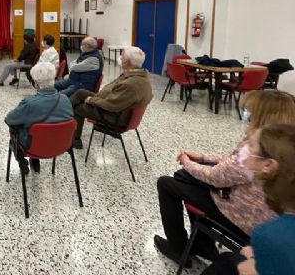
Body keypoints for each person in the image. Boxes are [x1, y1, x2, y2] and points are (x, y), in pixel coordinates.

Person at [153, 90, 295, 268]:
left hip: (240, 216)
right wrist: (203, 157)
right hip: (256, 213)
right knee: (185, 178)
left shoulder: (259, 150)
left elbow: (215, 177)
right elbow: (233, 162)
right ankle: (202, 244)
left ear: (262, 117)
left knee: (166, 184)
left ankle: (177, 248)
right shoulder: (283, 149)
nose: (248, 116)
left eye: (252, 112)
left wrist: (187, 161)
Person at [202, 124, 295, 275]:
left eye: (251, 145)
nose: (244, 148)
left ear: (268, 165)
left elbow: (245, 269)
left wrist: (255, 260)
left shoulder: (269, 234)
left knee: (226, 264)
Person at [69, 46, 152, 149]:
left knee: (78, 109)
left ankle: (75, 141)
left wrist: (92, 100)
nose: (120, 57)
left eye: (122, 56)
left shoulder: (131, 84)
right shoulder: (139, 75)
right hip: (112, 103)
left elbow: (111, 105)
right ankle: (63, 113)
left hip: (113, 115)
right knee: (80, 92)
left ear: (126, 62)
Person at [5, 62, 73, 173]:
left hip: (33, 147)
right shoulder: (66, 99)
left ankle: (21, 160)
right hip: (61, 146)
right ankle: (34, 161)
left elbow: (9, 119)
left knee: (16, 129)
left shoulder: (29, 104)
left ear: (36, 83)